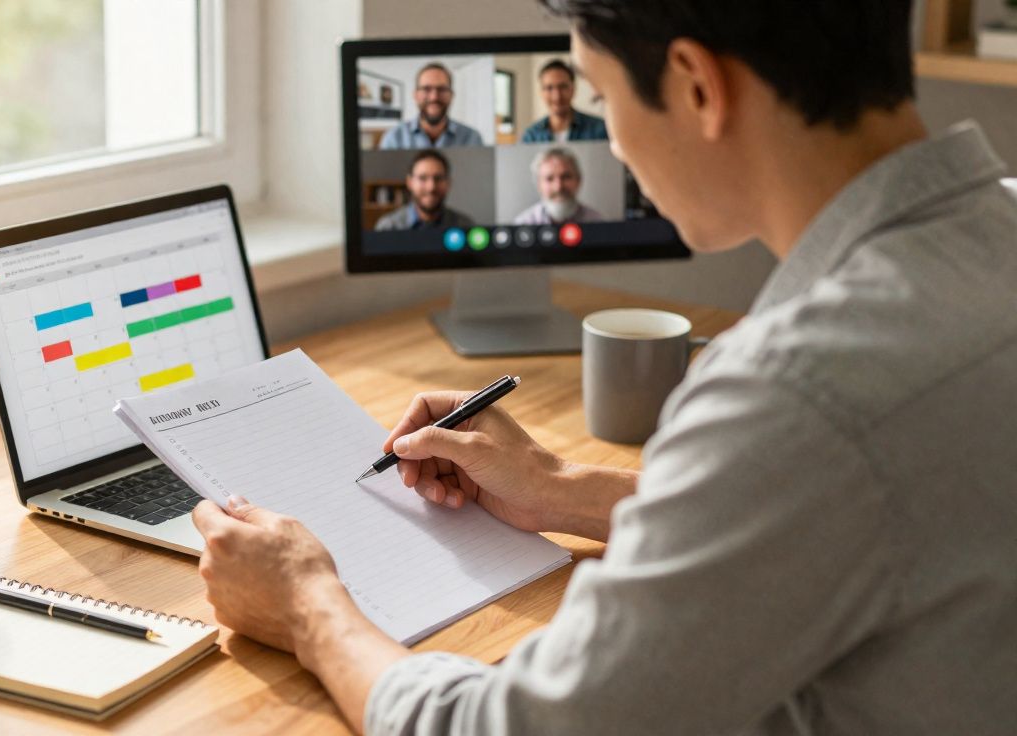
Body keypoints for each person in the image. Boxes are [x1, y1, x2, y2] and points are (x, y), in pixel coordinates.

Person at [192, 0, 1017, 734]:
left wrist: (308, 605)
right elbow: (828, 513)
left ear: (696, 84)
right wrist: (561, 486)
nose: (608, 138)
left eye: (599, 95)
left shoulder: (797, 393)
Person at [378, 62, 485, 149]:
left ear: (451, 95)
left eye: (442, 89)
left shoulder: (472, 139)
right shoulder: (394, 138)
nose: (434, 97)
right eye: (426, 89)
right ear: (416, 95)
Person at [374, 149, 475, 231]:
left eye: (438, 178)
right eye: (422, 178)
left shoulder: (466, 226)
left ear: (448, 183)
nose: (431, 187)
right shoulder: (388, 227)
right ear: (410, 183)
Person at [520, 58, 608, 142]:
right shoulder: (531, 136)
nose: (557, 96)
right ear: (541, 92)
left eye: (563, 87)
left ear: (573, 89)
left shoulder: (600, 130)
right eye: (549, 88)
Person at [513, 146, 603, 224]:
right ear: (539, 184)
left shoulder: (596, 221)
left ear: (578, 180)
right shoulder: (523, 223)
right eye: (549, 179)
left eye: (566, 177)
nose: (558, 187)